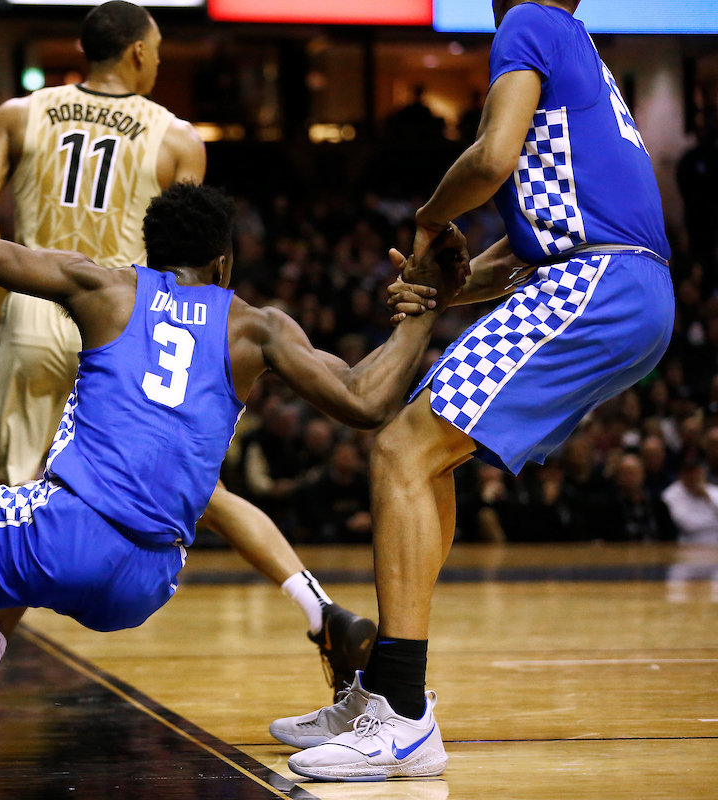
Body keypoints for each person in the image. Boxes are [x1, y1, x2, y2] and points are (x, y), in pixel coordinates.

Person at [0, 91, 465, 780]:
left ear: (149, 256)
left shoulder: (106, 288)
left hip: (66, 534)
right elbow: (367, 400)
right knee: (41, 499)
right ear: (224, 265)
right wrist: (425, 305)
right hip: (149, 581)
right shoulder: (259, 327)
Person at [0, 0, 378, 717]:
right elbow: (187, 250)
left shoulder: (22, 111)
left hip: (39, 309)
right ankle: (317, 608)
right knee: (200, 494)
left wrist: (13, 281)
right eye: (161, 49)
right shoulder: (174, 134)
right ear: (139, 53)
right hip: (129, 323)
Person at [277, 0, 674, 782]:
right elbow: (531, 242)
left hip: (597, 281)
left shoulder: (528, 21)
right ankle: (390, 691)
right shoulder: (578, 51)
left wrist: (426, 222)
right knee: (427, 455)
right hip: (613, 281)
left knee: (399, 447)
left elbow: (490, 160)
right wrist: (437, 291)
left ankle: (401, 716)